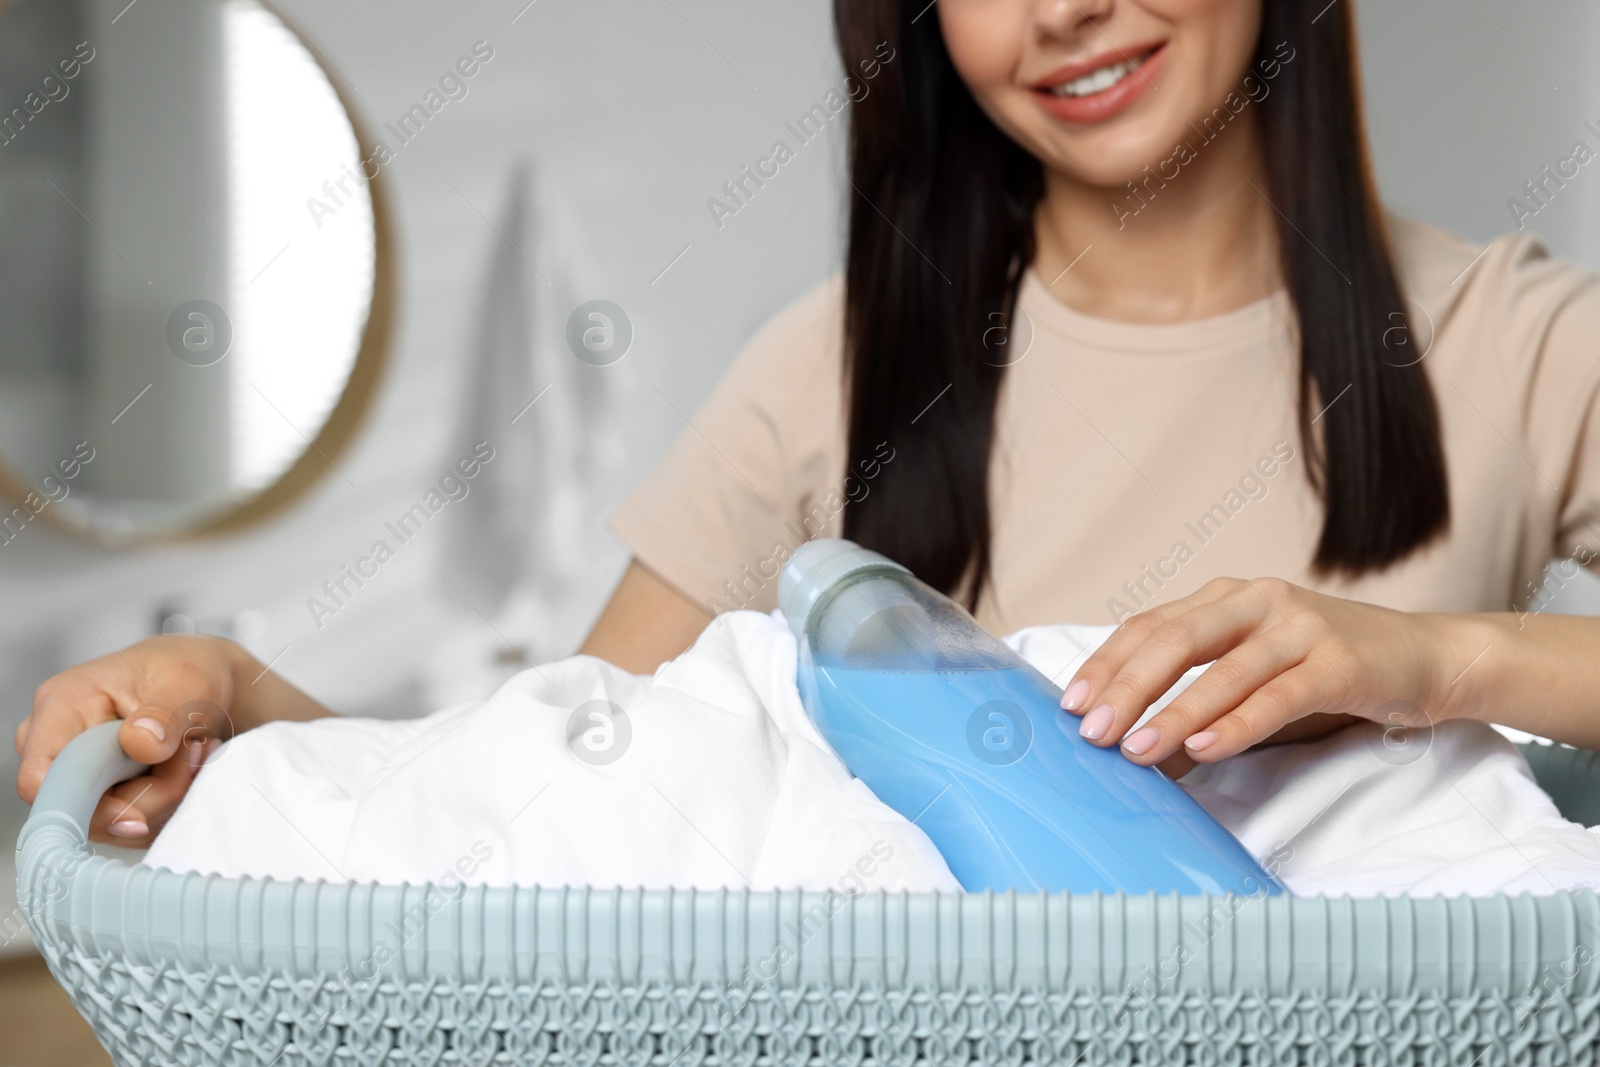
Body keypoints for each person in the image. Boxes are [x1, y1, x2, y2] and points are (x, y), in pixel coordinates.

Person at [17, 0, 1600, 847]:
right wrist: (232, 709)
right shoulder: (826, 378)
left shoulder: (1512, 340)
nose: (1064, 9)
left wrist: (1436, 663)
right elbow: (549, 799)